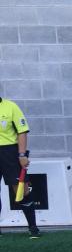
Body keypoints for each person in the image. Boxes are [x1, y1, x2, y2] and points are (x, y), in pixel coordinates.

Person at [0, 96, 39, 238]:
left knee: (22, 190)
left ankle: (33, 227)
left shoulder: (11, 106)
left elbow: (22, 131)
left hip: (9, 152)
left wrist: (22, 154)